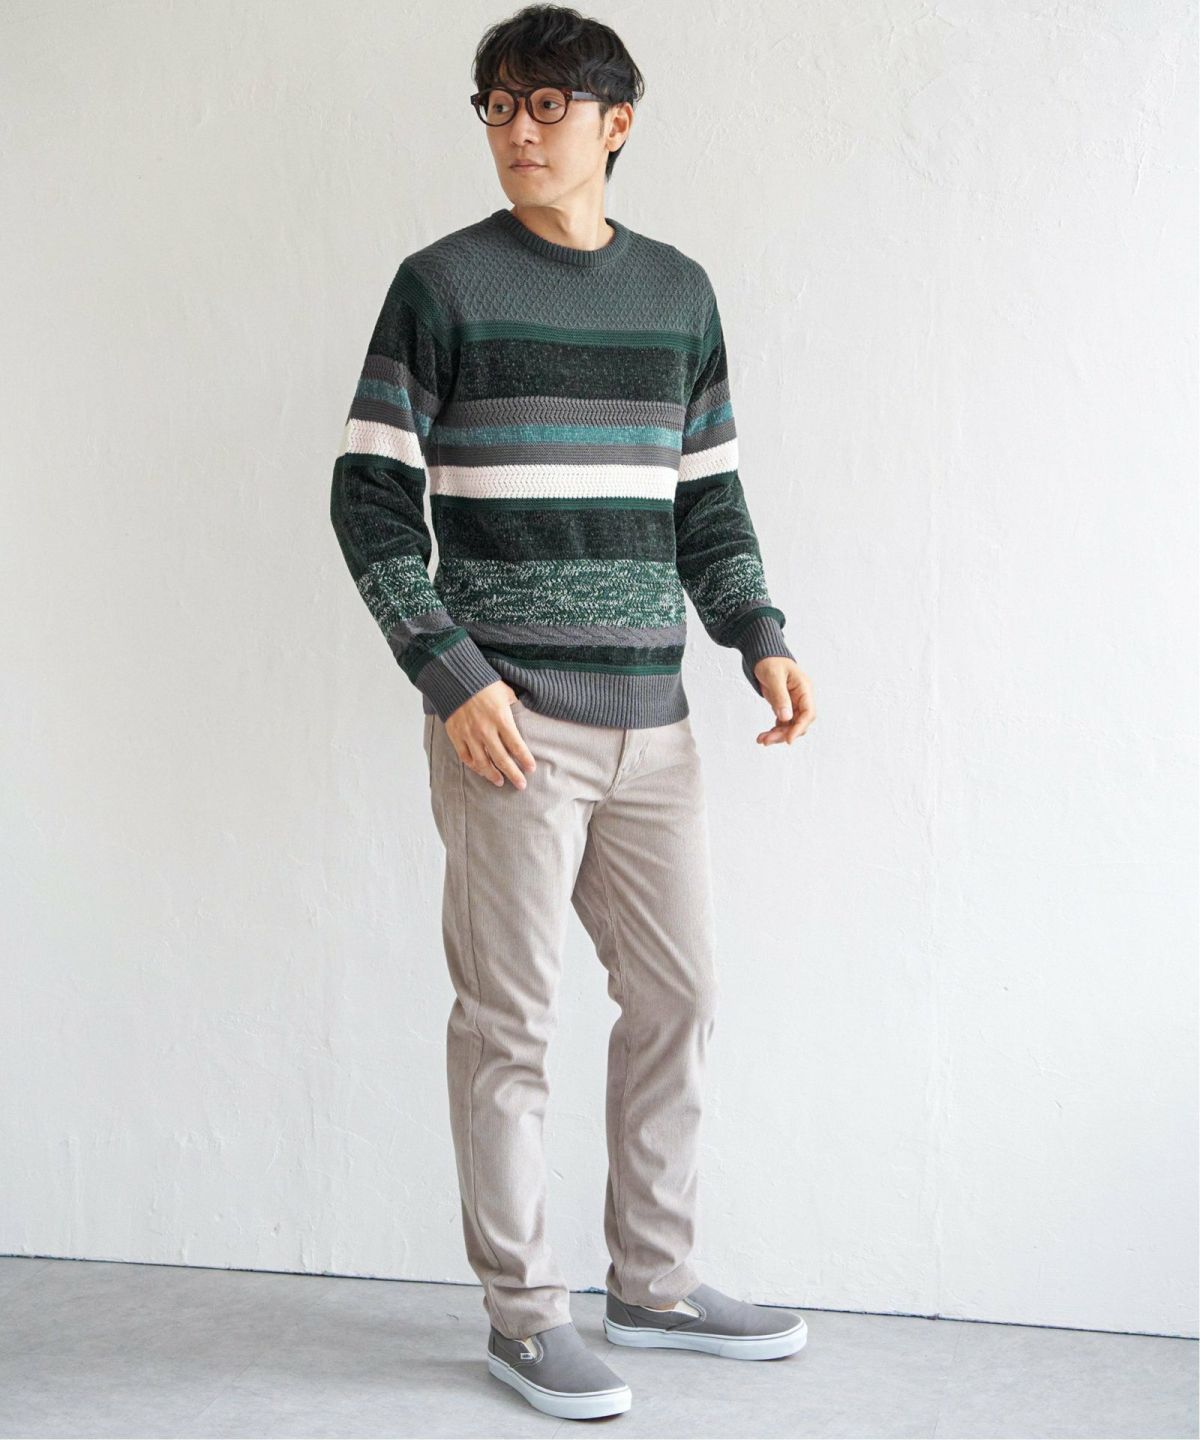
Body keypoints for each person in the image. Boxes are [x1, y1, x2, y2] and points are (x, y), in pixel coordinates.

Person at [329, 3, 816, 1420]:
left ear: (617, 124)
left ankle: (652, 1283)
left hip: (654, 724)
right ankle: (525, 1317)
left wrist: (757, 635)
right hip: (509, 726)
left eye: (548, 104)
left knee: (679, 997)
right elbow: (368, 499)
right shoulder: (441, 286)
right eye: (498, 104)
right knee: (510, 1023)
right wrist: (452, 673)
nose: (519, 130)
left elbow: (707, 498)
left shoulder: (679, 294)